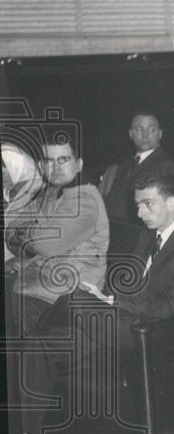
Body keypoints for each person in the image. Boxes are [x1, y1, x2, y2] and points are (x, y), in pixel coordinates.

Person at [16, 167, 174, 434]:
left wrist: (111, 300)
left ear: (172, 202)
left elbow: (171, 307)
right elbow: (130, 282)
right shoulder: (149, 233)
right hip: (121, 321)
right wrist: (106, 295)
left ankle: (48, 318)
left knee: (73, 299)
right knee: (45, 342)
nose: (141, 213)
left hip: (153, 330)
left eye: (148, 204)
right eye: (137, 205)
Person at [5, 138, 109, 336]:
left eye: (63, 159)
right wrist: (32, 236)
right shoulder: (48, 194)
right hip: (31, 289)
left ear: (78, 164)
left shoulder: (84, 200)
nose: (56, 167)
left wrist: (26, 235)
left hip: (60, 301)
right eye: (49, 161)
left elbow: (46, 246)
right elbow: (10, 233)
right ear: (40, 166)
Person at [99, 111, 174, 223]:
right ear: (131, 134)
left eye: (151, 130)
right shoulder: (125, 164)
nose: (145, 135)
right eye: (139, 129)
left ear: (160, 134)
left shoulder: (166, 166)